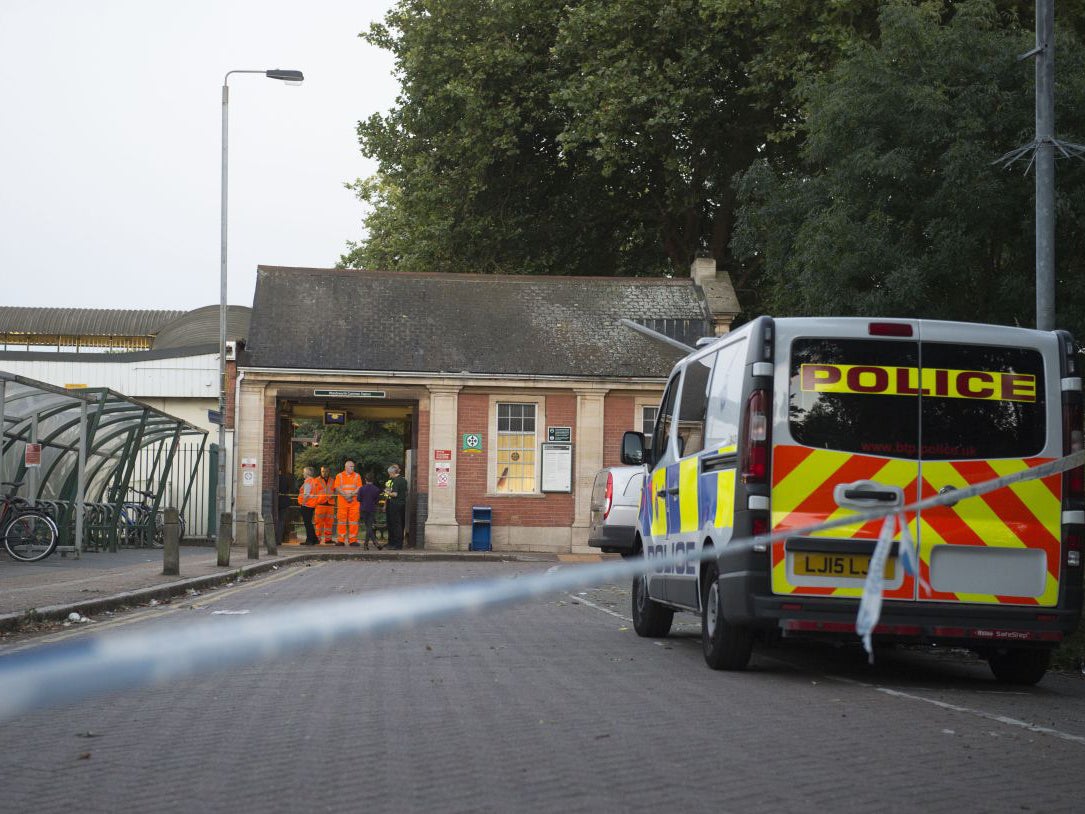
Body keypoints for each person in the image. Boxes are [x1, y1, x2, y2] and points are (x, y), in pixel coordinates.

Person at [333, 459, 363, 546]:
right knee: (341, 521)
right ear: (346, 467)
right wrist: (347, 496)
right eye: (351, 466)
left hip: (354, 503)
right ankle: (341, 540)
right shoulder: (339, 476)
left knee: (354, 522)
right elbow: (337, 487)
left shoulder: (357, 476)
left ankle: (353, 540)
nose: (353, 468)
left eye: (353, 466)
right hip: (343, 503)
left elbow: (359, 488)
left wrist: (350, 495)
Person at [383, 463, 408, 550]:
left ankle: (396, 545)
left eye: (389, 474)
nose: (389, 475)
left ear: (392, 473)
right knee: (400, 524)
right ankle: (398, 543)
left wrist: (387, 493)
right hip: (402, 504)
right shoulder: (404, 480)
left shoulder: (396, 481)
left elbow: (395, 494)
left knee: (395, 524)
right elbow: (405, 492)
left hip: (395, 504)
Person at [296, 466, 322, 545]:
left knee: (307, 523)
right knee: (309, 523)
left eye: (304, 471)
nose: (303, 473)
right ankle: (314, 539)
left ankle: (309, 540)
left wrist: (303, 503)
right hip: (311, 504)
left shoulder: (308, 481)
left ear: (308, 473)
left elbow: (306, 494)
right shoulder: (314, 481)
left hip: (306, 505)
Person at [358, 473, 382, 551]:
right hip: (372, 509)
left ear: (365, 480)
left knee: (368, 527)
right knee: (369, 526)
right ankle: (372, 543)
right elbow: (377, 500)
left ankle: (368, 545)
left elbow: (358, 499)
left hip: (363, 509)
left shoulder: (361, 489)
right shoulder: (376, 489)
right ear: (373, 480)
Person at [314, 465, 335, 545]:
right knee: (319, 524)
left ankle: (328, 539)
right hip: (320, 504)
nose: (324, 473)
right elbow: (314, 492)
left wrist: (333, 495)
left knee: (329, 524)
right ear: (320, 471)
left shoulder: (332, 480)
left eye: (326, 471)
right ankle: (317, 539)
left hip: (330, 504)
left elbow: (335, 490)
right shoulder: (316, 480)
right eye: (323, 471)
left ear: (328, 471)